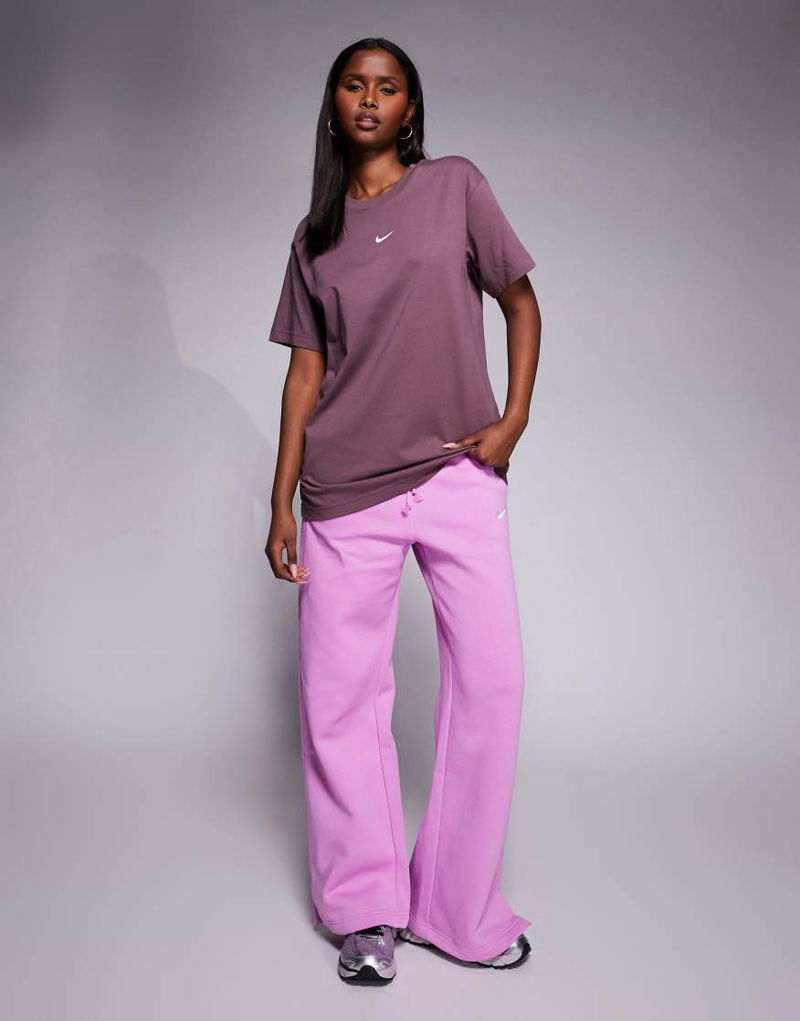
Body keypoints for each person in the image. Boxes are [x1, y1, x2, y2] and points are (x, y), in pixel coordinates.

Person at [266, 37, 542, 985]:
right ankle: (365, 911)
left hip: (457, 472)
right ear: (335, 104)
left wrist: (512, 419)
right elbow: (305, 374)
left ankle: (457, 909)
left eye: (387, 87)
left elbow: (520, 301)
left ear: (410, 107)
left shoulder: (455, 186)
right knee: (340, 702)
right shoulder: (314, 238)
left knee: (493, 684)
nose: (370, 99)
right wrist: (280, 499)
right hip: (345, 490)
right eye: (354, 84)